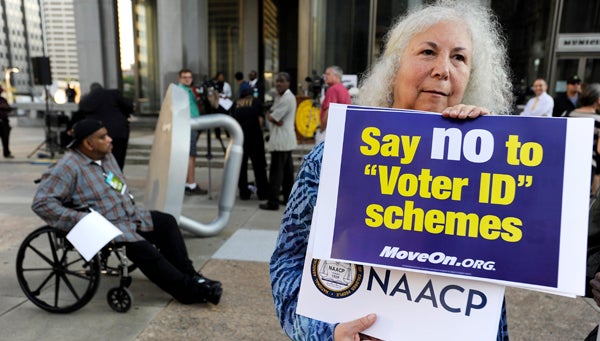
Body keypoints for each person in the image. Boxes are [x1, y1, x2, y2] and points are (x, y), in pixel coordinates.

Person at [270, 1, 512, 340]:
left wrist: (490, 160)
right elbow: (288, 262)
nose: (443, 69)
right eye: (428, 51)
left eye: (459, 57)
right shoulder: (335, 157)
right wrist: (327, 334)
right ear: (395, 65)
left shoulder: (491, 170)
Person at [31, 119, 222, 305]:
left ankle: (191, 275)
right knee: (144, 250)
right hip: (107, 226)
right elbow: (42, 203)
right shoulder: (68, 167)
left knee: (167, 222)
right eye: (103, 137)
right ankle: (188, 291)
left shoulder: (106, 157)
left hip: (129, 215)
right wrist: (83, 220)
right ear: (88, 143)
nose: (110, 139)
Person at [259, 72, 297, 211]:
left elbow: (273, 117)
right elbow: (276, 118)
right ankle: (288, 198)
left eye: (282, 81)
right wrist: (274, 117)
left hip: (281, 141)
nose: (278, 84)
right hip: (284, 140)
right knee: (287, 173)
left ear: (288, 83)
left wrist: (270, 115)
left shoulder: (287, 98)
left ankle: (273, 202)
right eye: (277, 81)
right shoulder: (280, 97)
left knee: (276, 173)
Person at [78, 82, 134, 170]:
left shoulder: (86, 100)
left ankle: (104, 179)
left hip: (98, 134)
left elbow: (80, 117)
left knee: (100, 161)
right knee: (118, 159)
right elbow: (129, 106)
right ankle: (116, 180)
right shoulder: (113, 93)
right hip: (119, 131)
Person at [231, 87, 269, 200]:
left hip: (240, 138)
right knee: (259, 166)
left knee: (241, 167)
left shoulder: (235, 104)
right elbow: (261, 120)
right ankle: (262, 193)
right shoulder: (257, 102)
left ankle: (244, 192)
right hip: (255, 137)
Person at [566, 83, 600, 195]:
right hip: (588, 168)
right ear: (598, 100)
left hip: (567, 165)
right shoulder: (598, 120)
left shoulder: (568, 114)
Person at [178, 69, 208, 195]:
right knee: (191, 155)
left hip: (192, 124)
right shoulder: (181, 91)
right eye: (184, 77)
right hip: (188, 124)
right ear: (180, 78)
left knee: (188, 155)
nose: (187, 79)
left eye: (189, 77)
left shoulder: (190, 90)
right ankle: (191, 184)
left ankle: (186, 183)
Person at [315, 65, 352, 144]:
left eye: (328, 74)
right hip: (339, 130)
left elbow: (329, 111)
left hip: (329, 130)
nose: (325, 76)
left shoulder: (333, 89)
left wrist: (321, 129)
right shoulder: (342, 88)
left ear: (336, 76)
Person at [0, 85, 14, 158]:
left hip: (4, 122)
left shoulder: (3, 99)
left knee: (5, 138)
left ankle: (7, 153)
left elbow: (8, 109)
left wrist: (7, 107)